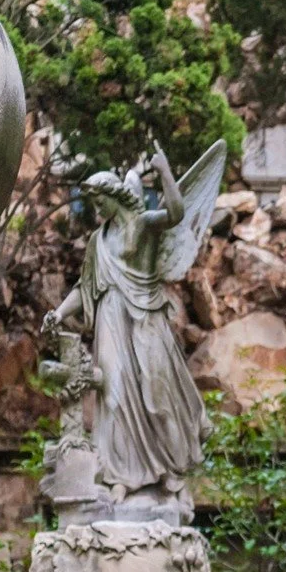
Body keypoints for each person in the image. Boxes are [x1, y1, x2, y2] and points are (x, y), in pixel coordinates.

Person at [42, 150, 208, 517]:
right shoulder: (97, 241)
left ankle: (170, 473)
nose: (97, 208)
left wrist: (164, 170)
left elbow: (176, 213)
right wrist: (59, 313)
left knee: (157, 396)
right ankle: (121, 477)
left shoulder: (145, 223)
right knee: (113, 396)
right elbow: (84, 287)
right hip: (110, 318)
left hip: (146, 319)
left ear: (114, 195)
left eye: (100, 200)